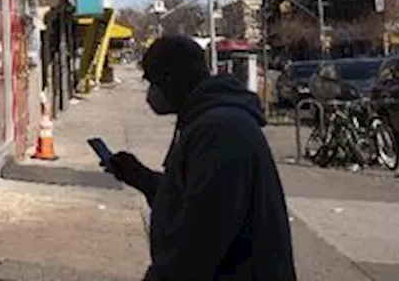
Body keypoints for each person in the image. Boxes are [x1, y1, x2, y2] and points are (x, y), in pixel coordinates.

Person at [106, 36, 296, 280]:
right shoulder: (204, 122)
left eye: (153, 81)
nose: (151, 92)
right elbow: (191, 196)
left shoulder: (219, 131)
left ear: (171, 78)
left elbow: (200, 237)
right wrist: (143, 178)